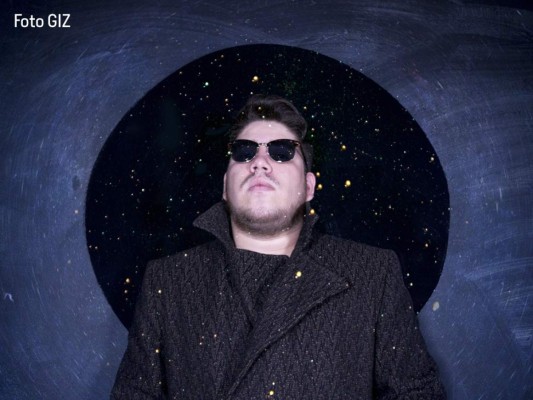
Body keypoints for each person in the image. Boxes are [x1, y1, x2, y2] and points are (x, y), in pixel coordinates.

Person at [111, 95, 446, 399]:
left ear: (309, 186)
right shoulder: (168, 281)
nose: (259, 161)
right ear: (225, 185)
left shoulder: (373, 273)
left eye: (282, 151)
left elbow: (417, 395)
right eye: (244, 151)